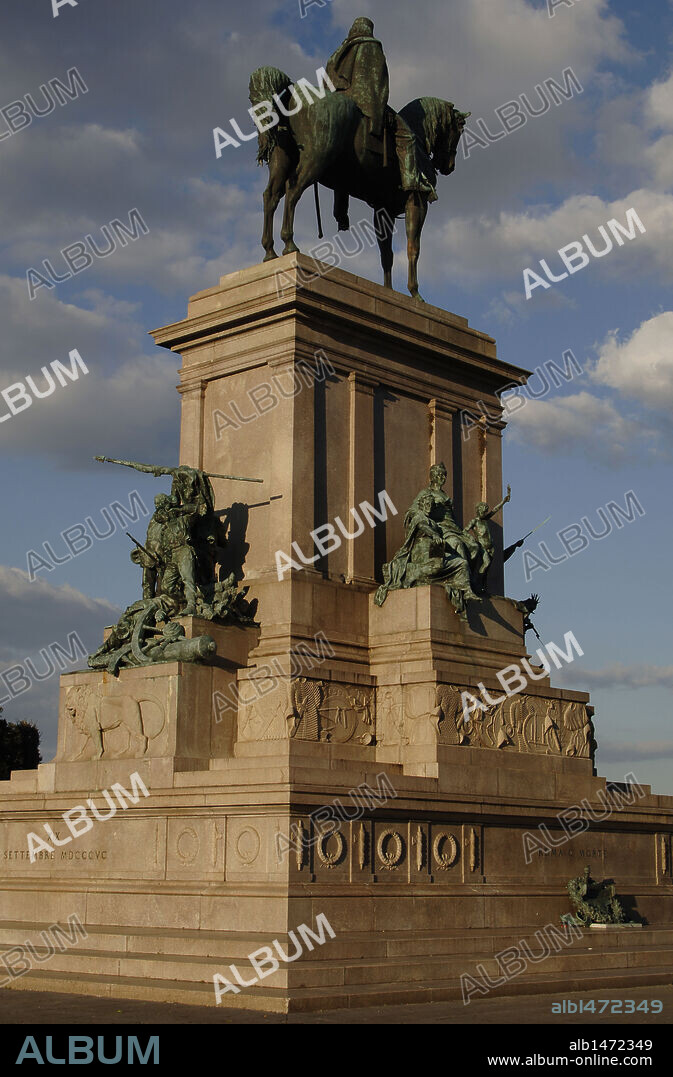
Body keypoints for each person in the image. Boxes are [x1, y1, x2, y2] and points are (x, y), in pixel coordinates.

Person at [326, 17, 437, 201]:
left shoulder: (339, 53)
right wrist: (378, 109)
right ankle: (411, 181)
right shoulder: (372, 46)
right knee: (408, 136)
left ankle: (340, 209)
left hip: (340, 100)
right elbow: (380, 83)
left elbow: (327, 80)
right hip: (366, 101)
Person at [463, 484, 511, 592]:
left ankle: (482, 586)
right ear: (478, 511)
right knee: (486, 563)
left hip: (491, 549)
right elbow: (464, 531)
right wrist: (472, 541)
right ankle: (476, 583)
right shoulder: (474, 521)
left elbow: (494, 510)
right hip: (482, 548)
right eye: (482, 511)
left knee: (487, 569)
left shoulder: (484, 520)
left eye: (485, 512)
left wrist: (504, 501)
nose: (484, 513)